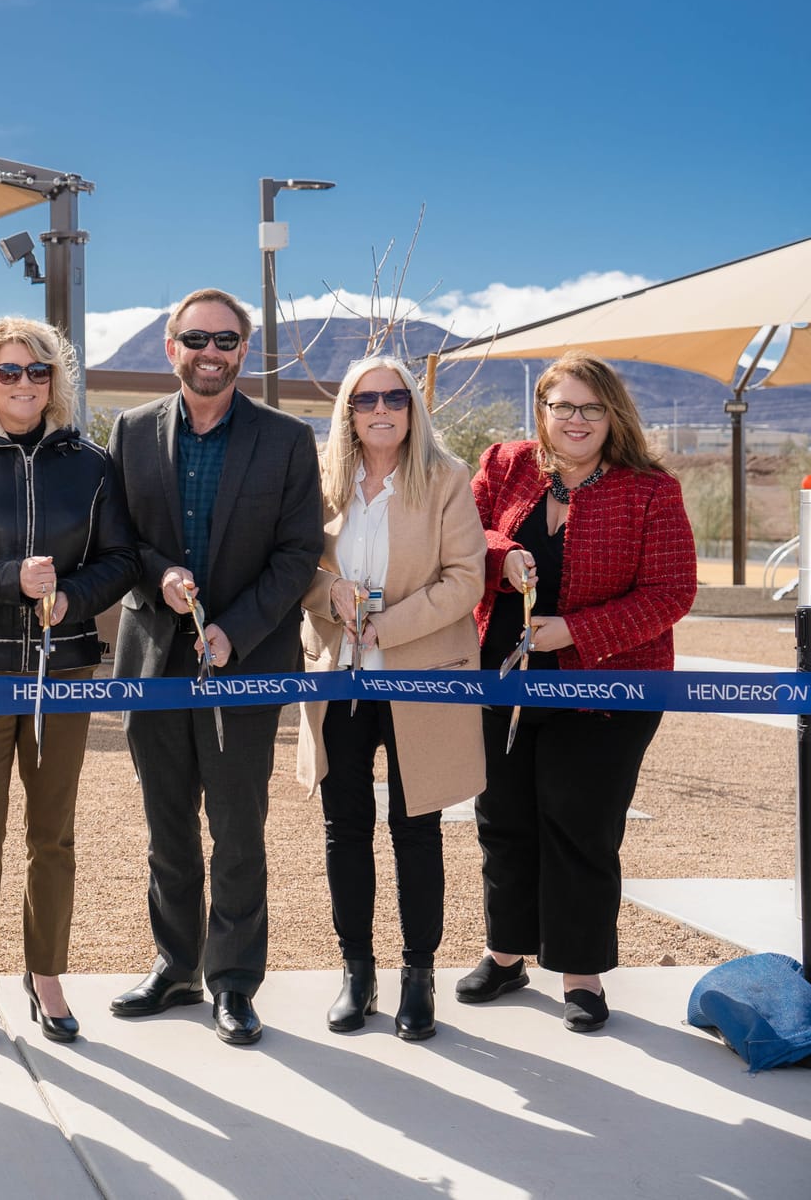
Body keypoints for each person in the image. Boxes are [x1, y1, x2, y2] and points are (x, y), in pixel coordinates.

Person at [105, 287, 323, 1046]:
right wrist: (159, 575)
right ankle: (175, 965)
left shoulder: (287, 441)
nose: (210, 352)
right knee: (167, 828)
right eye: (196, 338)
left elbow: (299, 554)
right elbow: (119, 542)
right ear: (171, 348)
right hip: (152, 661)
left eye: (226, 341)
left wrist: (235, 629)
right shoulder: (129, 432)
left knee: (236, 830)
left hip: (247, 662)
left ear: (244, 352)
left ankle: (233, 981)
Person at [457, 351, 696, 1032]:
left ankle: (580, 971)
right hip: (502, 676)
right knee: (502, 817)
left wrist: (576, 633)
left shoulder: (651, 489)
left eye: (591, 407)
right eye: (562, 405)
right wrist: (503, 553)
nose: (576, 419)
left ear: (612, 413)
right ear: (542, 410)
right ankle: (506, 954)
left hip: (607, 689)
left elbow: (671, 592)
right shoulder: (506, 465)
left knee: (579, 822)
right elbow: (464, 535)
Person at [0, 317, 140, 1047]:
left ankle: (46, 974)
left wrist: (72, 596)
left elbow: (121, 560)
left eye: (38, 371)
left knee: (55, 836)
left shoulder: (95, 465)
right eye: (9, 371)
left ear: (56, 380)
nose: (24, 383)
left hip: (65, 666)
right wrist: (12, 580)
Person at [297, 356, 485, 1042]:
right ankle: (357, 972)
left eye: (395, 396)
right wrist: (329, 592)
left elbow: (466, 578)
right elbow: (302, 564)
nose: (381, 408)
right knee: (344, 828)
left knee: (416, 829)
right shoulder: (322, 481)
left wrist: (387, 625)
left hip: (421, 674)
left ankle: (418, 975)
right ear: (348, 409)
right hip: (338, 674)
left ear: (413, 407)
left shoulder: (447, 478)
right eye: (365, 397)